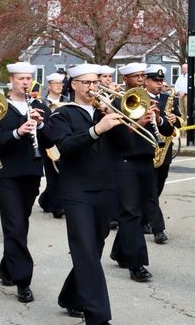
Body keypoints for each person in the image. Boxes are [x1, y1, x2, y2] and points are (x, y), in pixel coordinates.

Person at [47, 63, 127, 325]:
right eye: (87, 83)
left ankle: (70, 296)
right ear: (74, 85)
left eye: (96, 82)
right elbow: (65, 147)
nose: (94, 87)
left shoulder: (105, 112)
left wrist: (119, 120)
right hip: (76, 191)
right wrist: (97, 129)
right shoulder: (62, 114)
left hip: (105, 189)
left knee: (94, 248)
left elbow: (127, 145)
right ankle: (98, 317)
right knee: (85, 251)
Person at [0, 61, 50, 303]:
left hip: (32, 172)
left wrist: (40, 124)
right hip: (8, 174)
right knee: (14, 226)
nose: (25, 82)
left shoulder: (39, 106)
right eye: (20, 78)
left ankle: (6, 267)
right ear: (11, 80)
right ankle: (23, 281)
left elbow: (52, 139)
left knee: (20, 224)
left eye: (28, 78)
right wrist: (18, 132)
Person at [108, 62, 160, 282]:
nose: (140, 79)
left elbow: (167, 130)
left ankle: (120, 251)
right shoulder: (115, 104)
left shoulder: (148, 100)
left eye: (142, 75)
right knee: (130, 212)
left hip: (146, 161)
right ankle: (136, 264)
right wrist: (138, 123)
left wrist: (159, 119)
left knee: (140, 212)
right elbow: (119, 137)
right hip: (124, 162)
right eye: (135, 76)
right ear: (125, 79)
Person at [149, 65, 181, 243]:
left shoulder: (169, 98)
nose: (160, 84)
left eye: (161, 80)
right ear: (147, 81)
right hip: (147, 149)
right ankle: (158, 229)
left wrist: (177, 119)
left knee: (158, 187)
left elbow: (181, 119)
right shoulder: (141, 98)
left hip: (164, 150)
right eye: (156, 80)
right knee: (151, 192)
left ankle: (145, 217)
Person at [38, 72, 66, 218]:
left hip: (64, 140)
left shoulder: (67, 101)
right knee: (52, 174)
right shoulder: (41, 102)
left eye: (61, 84)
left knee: (63, 173)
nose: (59, 87)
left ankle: (45, 200)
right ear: (49, 85)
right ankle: (58, 206)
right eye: (55, 84)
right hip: (48, 141)